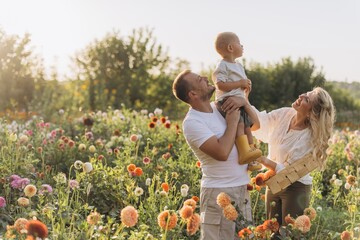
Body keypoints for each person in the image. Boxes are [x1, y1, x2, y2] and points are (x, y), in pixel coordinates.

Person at [221, 87, 336, 226]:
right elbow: (262, 122)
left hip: (295, 187)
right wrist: (245, 100)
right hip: (274, 181)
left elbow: (290, 171)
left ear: (312, 113)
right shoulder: (285, 114)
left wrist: (262, 159)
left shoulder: (310, 137)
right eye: (305, 93)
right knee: (272, 230)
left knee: (289, 233)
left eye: (307, 99)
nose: (300, 95)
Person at [172, 69, 258, 240]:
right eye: (199, 79)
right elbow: (221, 153)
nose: (205, 77)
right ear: (193, 94)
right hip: (219, 192)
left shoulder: (219, 107)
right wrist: (232, 122)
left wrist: (244, 102)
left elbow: (254, 125)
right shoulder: (192, 122)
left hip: (241, 188)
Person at [212, 32, 262, 171]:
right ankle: (244, 152)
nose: (242, 45)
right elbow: (220, 85)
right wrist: (239, 82)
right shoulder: (222, 66)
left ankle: (251, 156)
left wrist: (245, 88)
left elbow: (239, 86)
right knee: (240, 125)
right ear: (230, 47)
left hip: (240, 101)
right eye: (239, 43)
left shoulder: (238, 66)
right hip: (228, 101)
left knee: (247, 128)